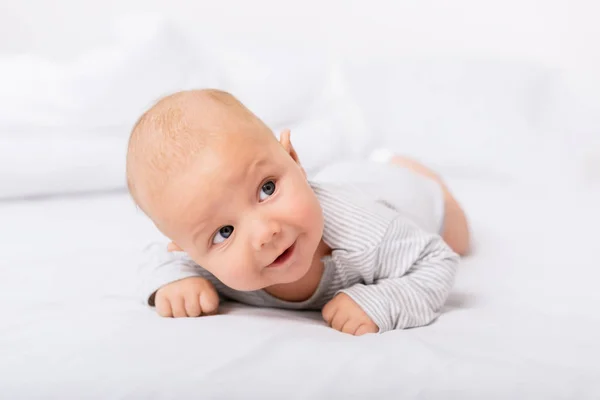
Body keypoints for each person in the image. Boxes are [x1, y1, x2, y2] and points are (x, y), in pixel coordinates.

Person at [126, 89, 470, 335]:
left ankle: (411, 169)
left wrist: (381, 301)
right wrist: (173, 283)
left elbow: (436, 261)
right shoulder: (202, 262)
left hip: (399, 194)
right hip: (342, 179)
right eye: (224, 232)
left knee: (459, 239)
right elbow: (155, 259)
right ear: (185, 248)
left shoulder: (368, 234)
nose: (265, 233)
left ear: (293, 159)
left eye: (267, 188)